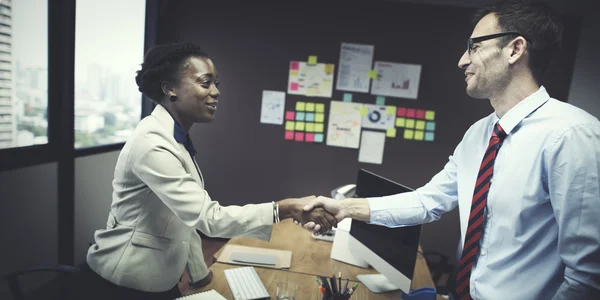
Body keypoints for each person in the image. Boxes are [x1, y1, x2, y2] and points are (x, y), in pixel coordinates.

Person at [302, 1, 600, 299]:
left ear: (515, 49)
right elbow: (428, 201)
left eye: (474, 47)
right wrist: (345, 208)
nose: (462, 61)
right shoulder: (479, 134)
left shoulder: (572, 136)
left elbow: (587, 275)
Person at [75, 42, 337, 300]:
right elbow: (208, 218)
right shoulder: (152, 143)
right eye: (205, 82)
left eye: (216, 84)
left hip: (159, 279)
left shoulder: (174, 138)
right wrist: (285, 208)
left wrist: (200, 275)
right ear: (170, 88)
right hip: (124, 283)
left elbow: (184, 217)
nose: (216, 92)